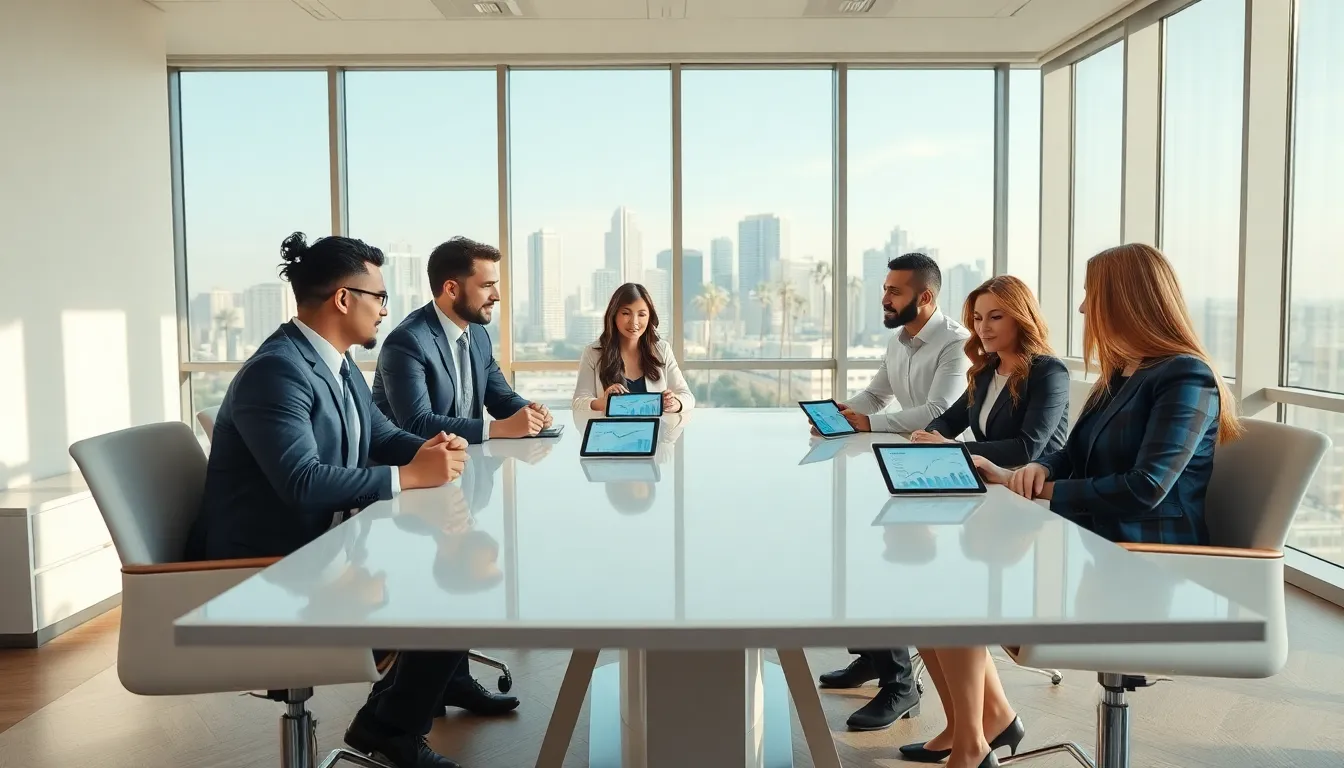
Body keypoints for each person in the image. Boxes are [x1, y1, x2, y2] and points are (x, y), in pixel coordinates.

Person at [907, 243, 1243, 768]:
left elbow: (1146, 487)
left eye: (1092, 296)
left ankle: (974, 745)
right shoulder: (1122, 374)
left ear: (1127, 300)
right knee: (933, 586)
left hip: (1146, 568)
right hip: (1097, 541)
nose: (1084, 310)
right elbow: (1072, 451)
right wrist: (1041, 470)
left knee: (953, 587)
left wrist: (1045, 489)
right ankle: (981, 728)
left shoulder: (1185, 376)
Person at [186, 232, 487, 768]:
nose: (385, 310)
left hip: (318, 548)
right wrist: (407, 478)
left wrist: (431, 449)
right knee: (450, 587)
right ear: (344, 299)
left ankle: (389, 723)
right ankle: (390, 726)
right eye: (379, 297)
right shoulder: (277, 371)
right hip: (262, 576)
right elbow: (300, 481)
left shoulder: (337, 363)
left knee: (452, 577)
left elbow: (379, 436)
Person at [817, 252, 970, 732]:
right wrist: (845, 413)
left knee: (890, 567)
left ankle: (901, 685)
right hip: (904, 463)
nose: (884, 298)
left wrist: (871, 422)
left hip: (943, 474)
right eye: (884, 289)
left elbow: (938, 411)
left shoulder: (956, 343)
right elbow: (876, 395)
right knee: (860, 552)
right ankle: (874, 658)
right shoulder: (900, 340)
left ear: (924, 297)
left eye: (894, 291)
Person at [373, 236, 552, 444]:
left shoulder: (477, 334)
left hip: (469, 460)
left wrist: (530, 413)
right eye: (487, 285)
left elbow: (501, 399)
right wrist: (498, 428)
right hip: (416, 466)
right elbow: (417, 424)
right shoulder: (407, 342)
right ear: (452, 289)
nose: (496, 295)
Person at [911, 275, 1070, 467]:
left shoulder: (1049, 372)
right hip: (990, 478)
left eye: (995, 317)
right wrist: (930, 436)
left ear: (1020, 319)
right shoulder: (985, 371)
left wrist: (950, 447)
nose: (983, 328)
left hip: (1032, 489)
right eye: (977, 318)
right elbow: (948, 420)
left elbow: (1025, 449)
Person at [571, 282, 695, 414]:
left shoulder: (662, 349)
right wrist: (605, 402)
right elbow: (578, 401)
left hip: (655, 432)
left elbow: (687, 397)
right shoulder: (593, 352)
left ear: (649, 318)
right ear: (614, 315)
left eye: (641, 315)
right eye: (626, 313)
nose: (634, 322)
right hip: (610, 432)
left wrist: (675, 403)